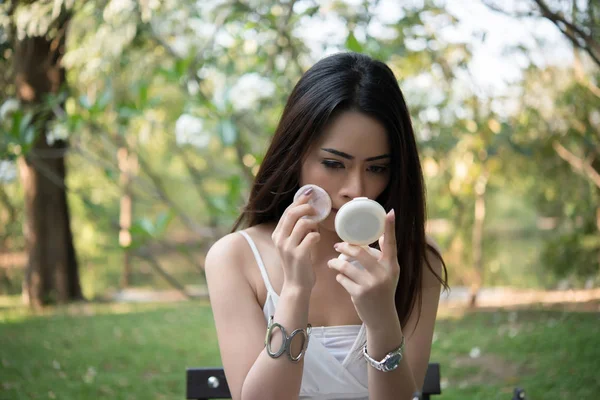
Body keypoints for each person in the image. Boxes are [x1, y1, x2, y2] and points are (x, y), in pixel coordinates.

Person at [205, 52, 448, 400]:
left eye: (376, 168)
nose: (357, 190)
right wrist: (294, 292)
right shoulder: (235, 258)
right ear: (295, 156)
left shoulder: (419, 259)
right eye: (334, 164)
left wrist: (381, 319)